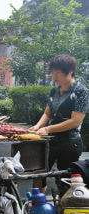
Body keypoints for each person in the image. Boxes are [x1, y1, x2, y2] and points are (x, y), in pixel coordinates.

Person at [29, 54, 89, 194]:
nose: (54, 77)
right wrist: (38, 126)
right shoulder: (54, 90)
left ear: (69, 72)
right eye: (52, 73)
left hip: (70, 143)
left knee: (65, 179)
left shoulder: (81, 91)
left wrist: (48, 128)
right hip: (50, 140)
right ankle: (36, 204)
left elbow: (75, 121)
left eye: (57, 73)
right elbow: (47, 113)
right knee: (39, 174)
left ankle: (64, 209)